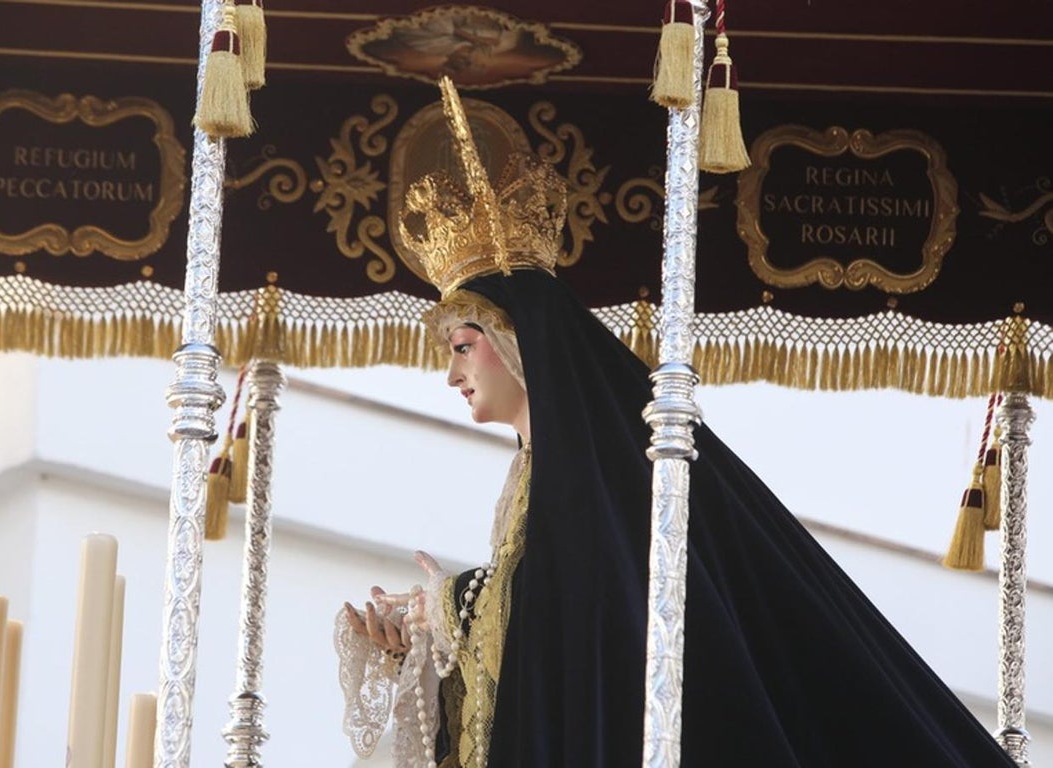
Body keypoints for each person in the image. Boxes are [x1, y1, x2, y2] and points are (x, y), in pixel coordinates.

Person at [334, 78, 1016, 768]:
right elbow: (554, 664)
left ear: (519, 340)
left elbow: (589, 616)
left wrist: (452, 604)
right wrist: (428, 639)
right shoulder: (540, 476)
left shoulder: (608, 473)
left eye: (462, 346)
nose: (452, 376)